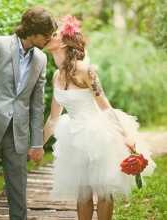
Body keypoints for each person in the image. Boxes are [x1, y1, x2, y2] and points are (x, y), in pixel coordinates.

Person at [43, 15, 156, 220]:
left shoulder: (85, 71)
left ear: (65, 44)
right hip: (74, 136)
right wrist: (36, 147)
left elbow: (105, 105)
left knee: (103, 190)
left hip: (98, 133)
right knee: (83, 192)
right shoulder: (56, 76)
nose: (51, 36)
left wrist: (124, 135)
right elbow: (54, 117)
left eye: (56, 34)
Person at [0, 7, 57, 220]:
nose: (49, 39)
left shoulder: (41, 59)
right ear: (33, 31)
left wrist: (36, 143)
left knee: (19, 191)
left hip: (18, 133)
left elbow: (36, 105)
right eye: (47, 34)